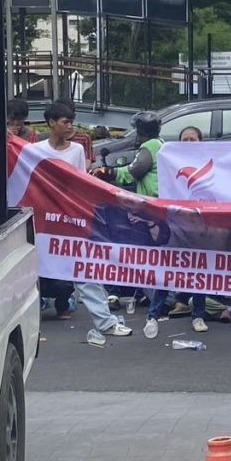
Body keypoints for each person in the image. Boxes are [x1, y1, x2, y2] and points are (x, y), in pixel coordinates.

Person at [31, 101, 131, 337]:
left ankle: (105, 321)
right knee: (33, 271)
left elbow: (80, 183)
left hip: (70, 219)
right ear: (51, 123)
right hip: (44, 220)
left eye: (71, 122)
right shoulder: (35, 151)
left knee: (84, 269)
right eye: (65, 122)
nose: (70, 127)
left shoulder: (76, 150)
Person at [92, 111, 167, 338]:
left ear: (141, 131)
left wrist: (109, 172)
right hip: (158, 205)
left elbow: (135, 171)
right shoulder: (161, 143)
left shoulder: (150, 147)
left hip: (151, 207)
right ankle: (148, 300)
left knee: (144, 253)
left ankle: (150, 304)